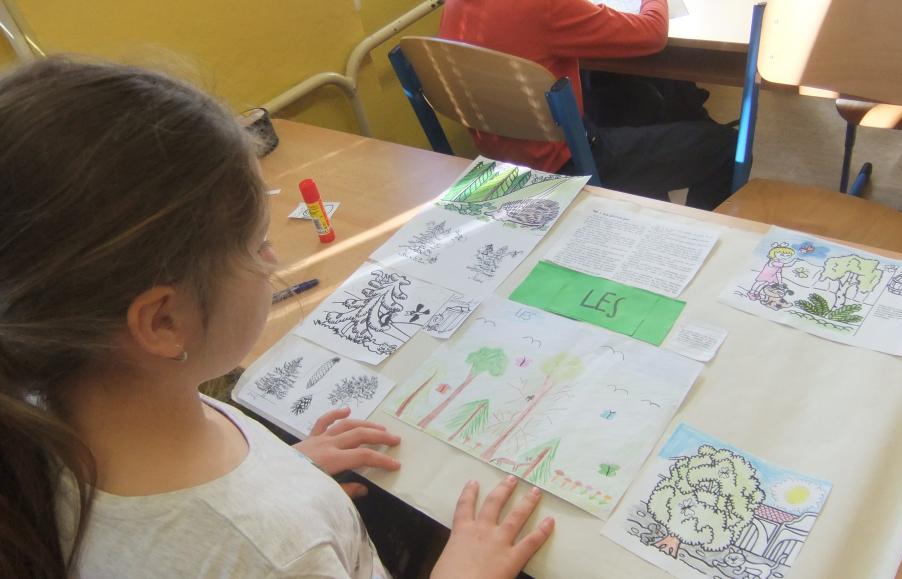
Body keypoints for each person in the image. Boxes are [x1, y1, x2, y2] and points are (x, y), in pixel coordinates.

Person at [0, 57, 553, 578]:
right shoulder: (273, 554)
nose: (272, 260)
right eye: (257, 244)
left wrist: (289, 469)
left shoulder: (60, 407)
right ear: (164, 323)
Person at [438, 0, 737, 210]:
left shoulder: (455, 5)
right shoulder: (547, 6)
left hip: (500, 153)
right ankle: (696, 236)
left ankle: (643, 211)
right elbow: (652, 32)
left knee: (641, 99)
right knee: (727, 148)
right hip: (565, 164)